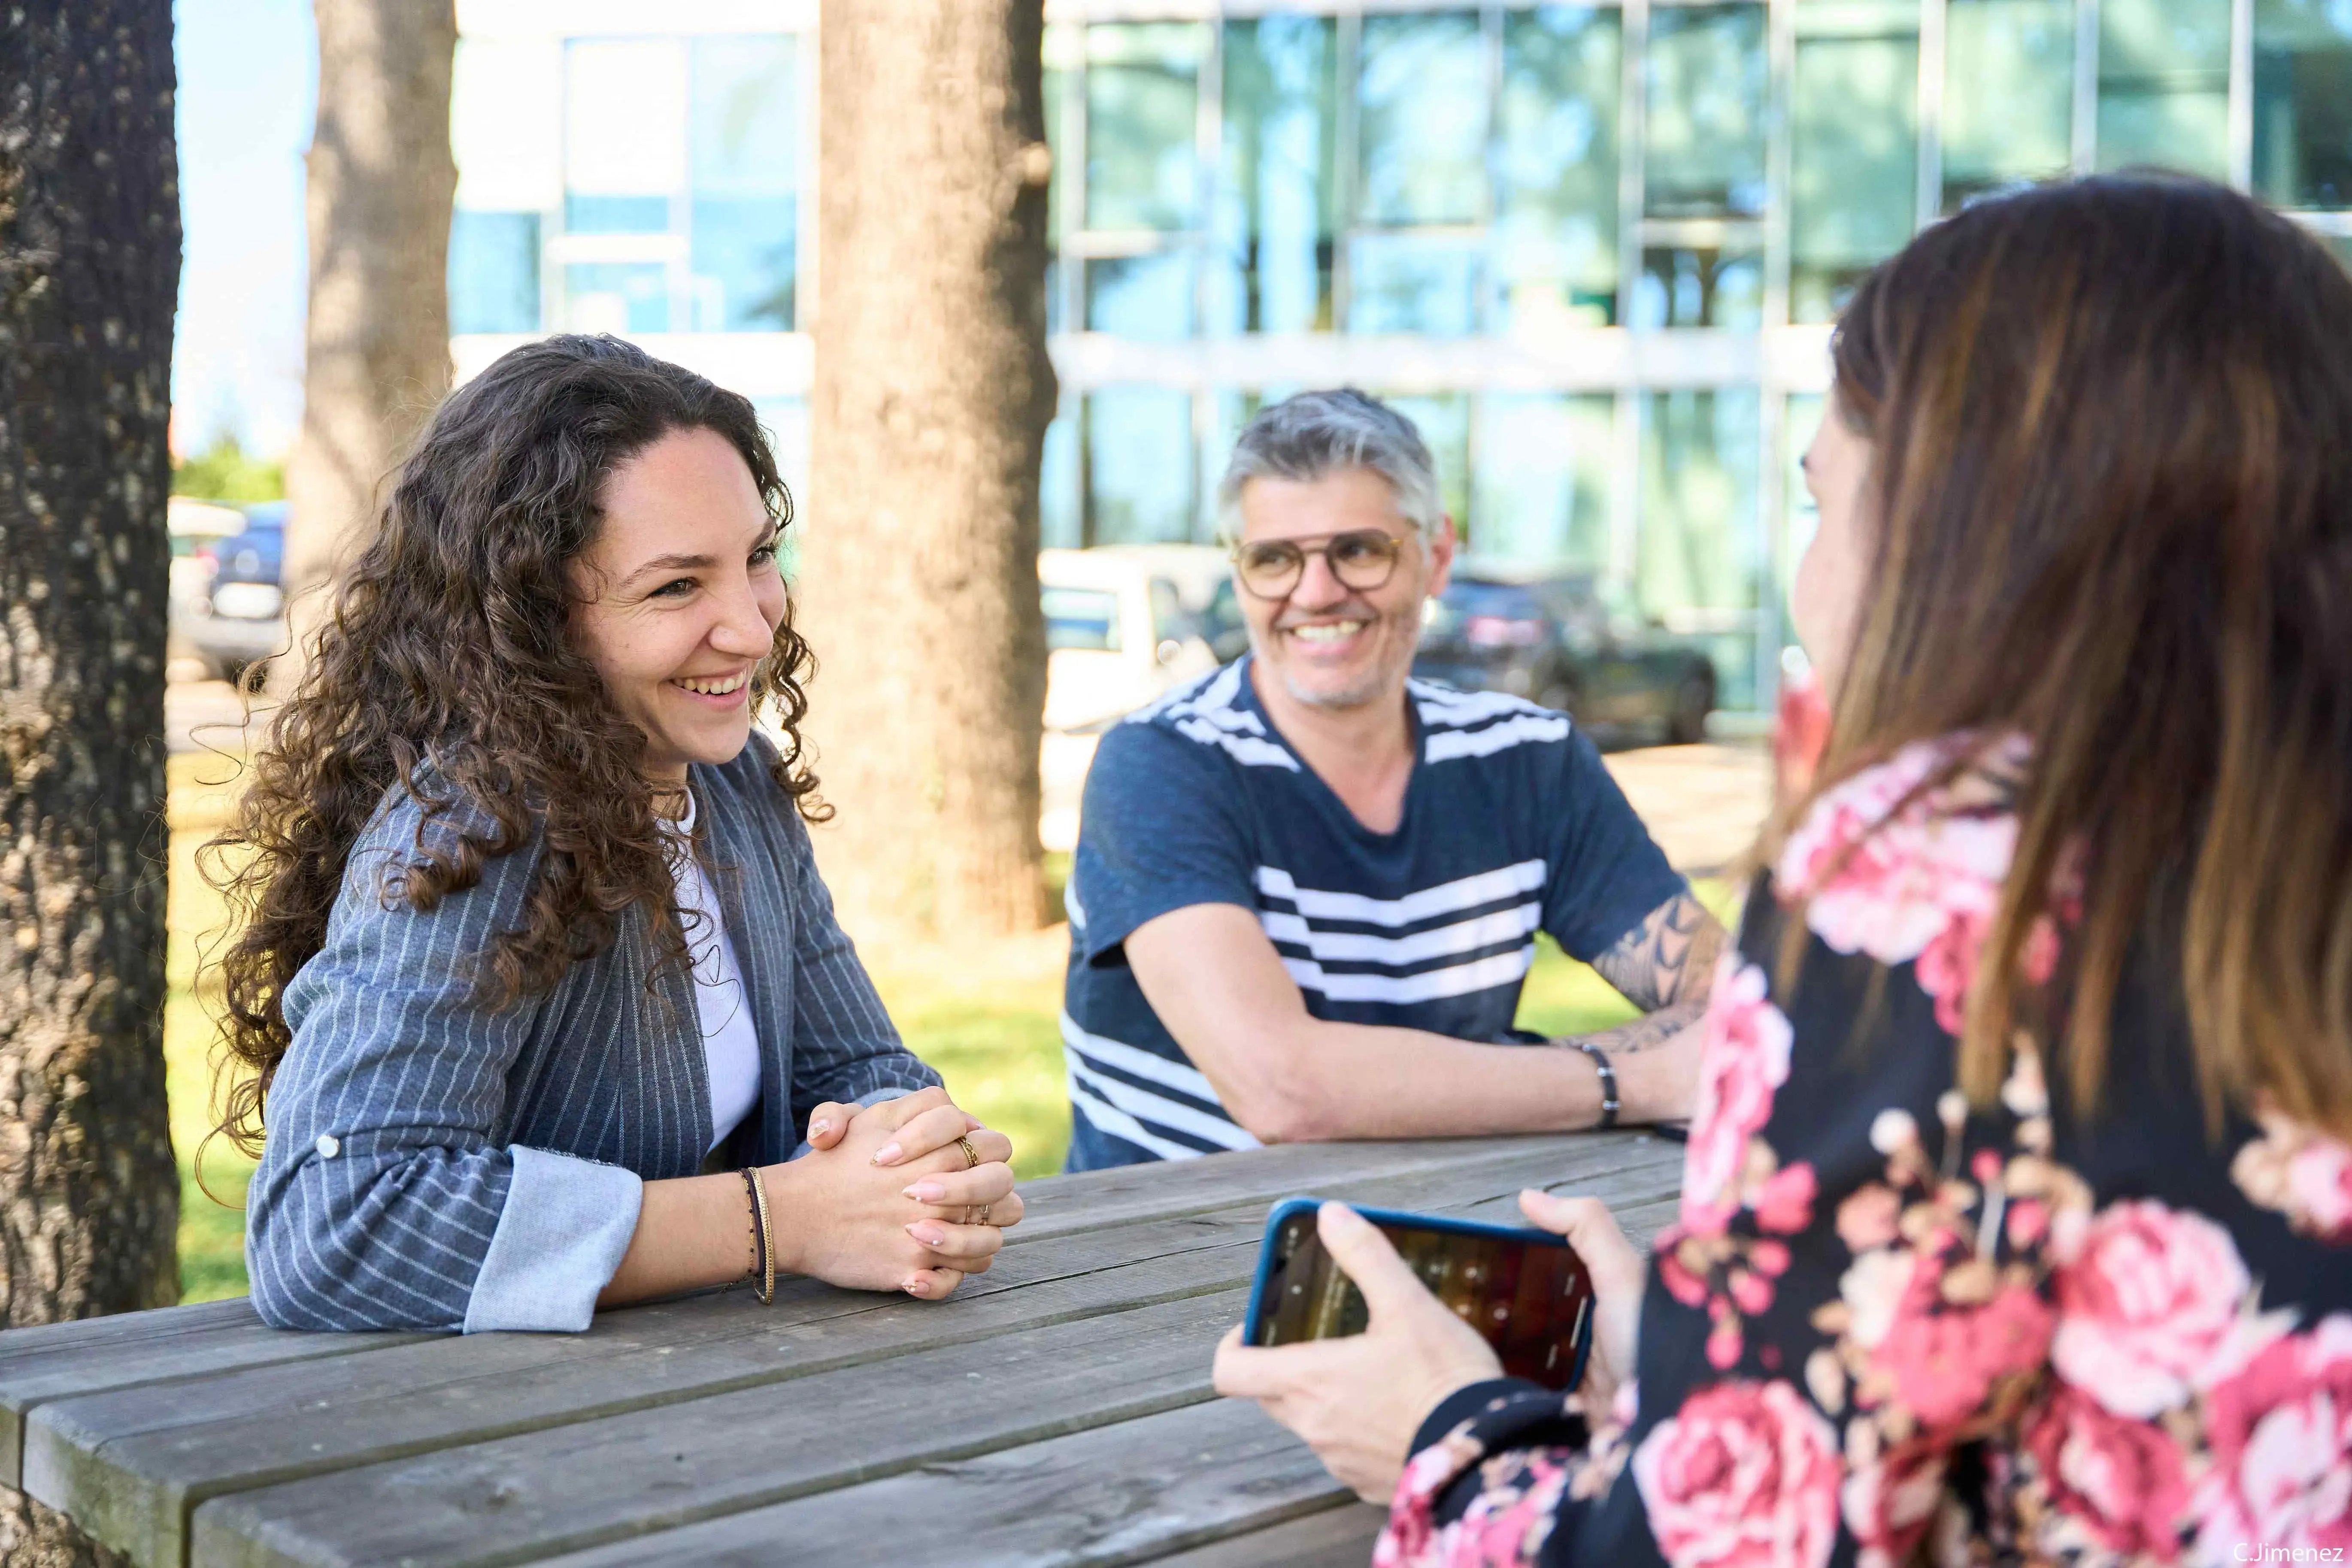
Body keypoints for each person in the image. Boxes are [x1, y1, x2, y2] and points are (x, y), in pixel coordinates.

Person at [1213, 175, 2352, 1561]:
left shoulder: (1926, 887)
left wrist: (1447, 1434)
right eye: (1276, 559)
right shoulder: (1176, 759)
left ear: (1961, 528)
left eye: (1822, 504)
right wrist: (1723, 1340)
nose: (1317, 591)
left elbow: (1721, 1546)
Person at [215, 335, 1021, 1333]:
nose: (752, 627)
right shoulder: (472, 828)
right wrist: (782, 1221)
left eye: (756, 558)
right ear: (532, 620)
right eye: (677, 586)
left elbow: (854, 1068)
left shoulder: (735, 782)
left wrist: (923, 1167)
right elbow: (338, 1226)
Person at [1060, 390, 1725, 1171]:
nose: (1316, 593)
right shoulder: (1160, 763)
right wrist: (1633, 1078)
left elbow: (1733, 999)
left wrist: (1495, 1078)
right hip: (1178, 1241)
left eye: (1359, 550)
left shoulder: (1528, 759)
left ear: (1436, 556)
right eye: (1274, 558)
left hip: (1451, 1219)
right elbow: (1283, 1089)